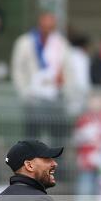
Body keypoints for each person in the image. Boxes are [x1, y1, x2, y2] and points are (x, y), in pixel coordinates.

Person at [11, 11, 73, 141]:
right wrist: (24, 92)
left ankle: (57, 161)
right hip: (34, 98)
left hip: (55, 97)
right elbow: (18, 70)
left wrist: (65, 87)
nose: (47, 29)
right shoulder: (25, 42)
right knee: (33, 138)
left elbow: (67, 68)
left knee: (58, 137)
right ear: (39, 24)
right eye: (45, 25)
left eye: (51, 26)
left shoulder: (60, 43)